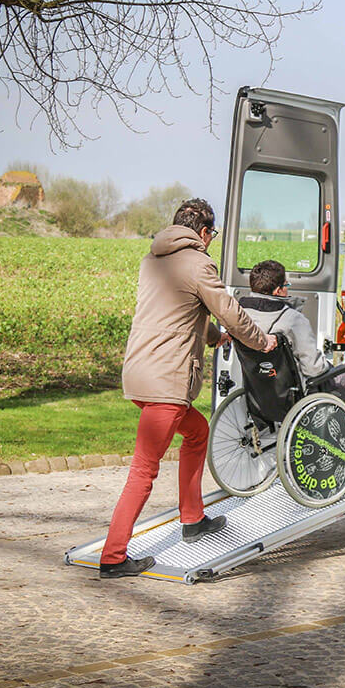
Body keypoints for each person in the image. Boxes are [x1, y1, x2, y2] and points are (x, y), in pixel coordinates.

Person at [99, 200, 277, 579]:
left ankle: (193, 518)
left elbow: (178, 312)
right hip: (167, 382)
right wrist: (262, 342)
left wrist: (214, 337)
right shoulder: (198, 263)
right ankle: (113, 557)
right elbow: (228, 309)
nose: (211, 240)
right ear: (202, 231)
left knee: (198, 432)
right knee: (144, 471)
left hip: (139, 376)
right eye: (212, 233)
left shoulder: (153, 261)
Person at [238, 260, 345, 392]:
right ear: (278, 291)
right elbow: (314, 369)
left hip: (260, 393)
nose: (287, 288)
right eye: (286, 285)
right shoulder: (293, 319)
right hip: (298, 393)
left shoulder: (240, 318)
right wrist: (325, 365)